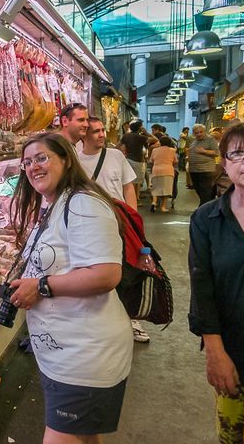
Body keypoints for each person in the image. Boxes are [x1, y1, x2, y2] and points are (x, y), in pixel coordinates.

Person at [10, 133, 132, 443]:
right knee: (85, 437)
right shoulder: (54, 203)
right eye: (27, 162)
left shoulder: (83, 203)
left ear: (65, 159)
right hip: (65, 352)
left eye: (42, 158)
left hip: (85, 355)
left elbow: (106, 274)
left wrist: (41, 286)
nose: (34, 166)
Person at [188, 122, 244, 444]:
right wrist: (215, 353)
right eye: (236, 153)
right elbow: (202, 287)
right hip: (233, 354)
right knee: (230, 437)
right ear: (224, 164)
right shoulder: (207, 219)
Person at [78, 117, 150, 344]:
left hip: (120, 223)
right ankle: (99, 321)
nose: (102, 135)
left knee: (127, 271)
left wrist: (132, 217)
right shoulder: (75, 160)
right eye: (96, 132)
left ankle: (132, 319)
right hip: (89, 227)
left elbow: (128, 187)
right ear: (84, 135)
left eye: (102, 130)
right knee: (96, 274)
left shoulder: (116, 156)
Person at [119, 121, 157, 205]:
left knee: (129, 180)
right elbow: (155, 139)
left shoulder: (126, 136)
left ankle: (130, 198)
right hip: (138, 161)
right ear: (140, 128)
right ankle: (136, 199)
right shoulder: (141, 137)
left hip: (128, 159)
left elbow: (119, 145)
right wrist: (146, 132)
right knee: (137, 182)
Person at [188, 124, 219, 206]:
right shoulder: (194, 141)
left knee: (205, 191)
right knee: (199, 190)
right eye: (196, 133)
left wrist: (204, 151)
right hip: (194, 170)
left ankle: (203, 209)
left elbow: (216, 152)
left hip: (206, 170)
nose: (199, 134)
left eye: (201, 132)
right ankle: (208, 207)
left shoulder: (210, 140)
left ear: (204, 132)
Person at [149, 136, 177, 213]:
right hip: (168, 171)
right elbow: (175, 161)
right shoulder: (172, 150)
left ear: (160, 142)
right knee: (166, 190)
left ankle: (154, 202)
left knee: (155, 188)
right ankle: (163, 207)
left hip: (156, 171)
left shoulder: (155, 150)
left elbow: (151, 161)